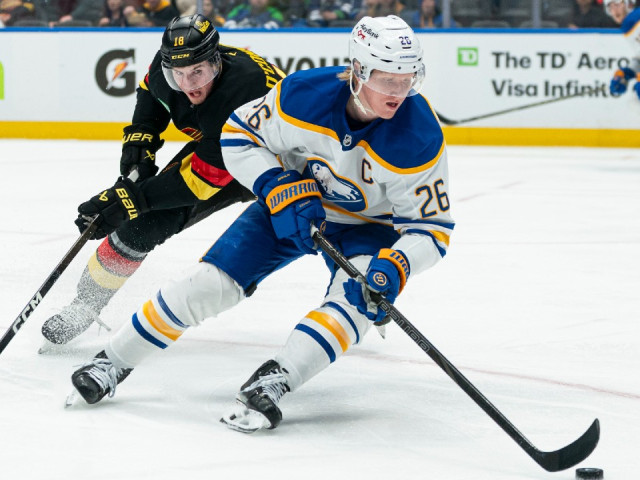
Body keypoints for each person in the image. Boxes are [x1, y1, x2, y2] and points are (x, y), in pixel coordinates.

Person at [68, 15, 454, 434]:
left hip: (368, 227)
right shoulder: (302, 95)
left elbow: (431, 228)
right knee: (210, 283)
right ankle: (113, 361)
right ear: (358, 70)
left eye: (407, 80)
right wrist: (274, 183)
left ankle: (277, 379)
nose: (399, 92)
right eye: (388, 79)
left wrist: (397, 263)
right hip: (289, 204)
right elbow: (239, 136)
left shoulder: (420, 135)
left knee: (355, 302)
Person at [40, 14, 284, 346]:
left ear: (217, 62)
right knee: (143, 225)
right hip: (219, 144)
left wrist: (130, 200)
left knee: (329, 225)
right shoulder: (166, 67)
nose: (189, 84)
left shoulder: (244, 93)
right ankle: (85, 304)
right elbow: (150, 94)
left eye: (198, 72)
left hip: (282, 157)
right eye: (178, 75)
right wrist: (141, 138)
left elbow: (200, 182)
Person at [606, 0, 640, 100]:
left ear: (629, 4)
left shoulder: (633, 20)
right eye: (611, 7)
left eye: (617, 4)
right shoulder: (628, 25)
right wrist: (626, 73)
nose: (615, 10)